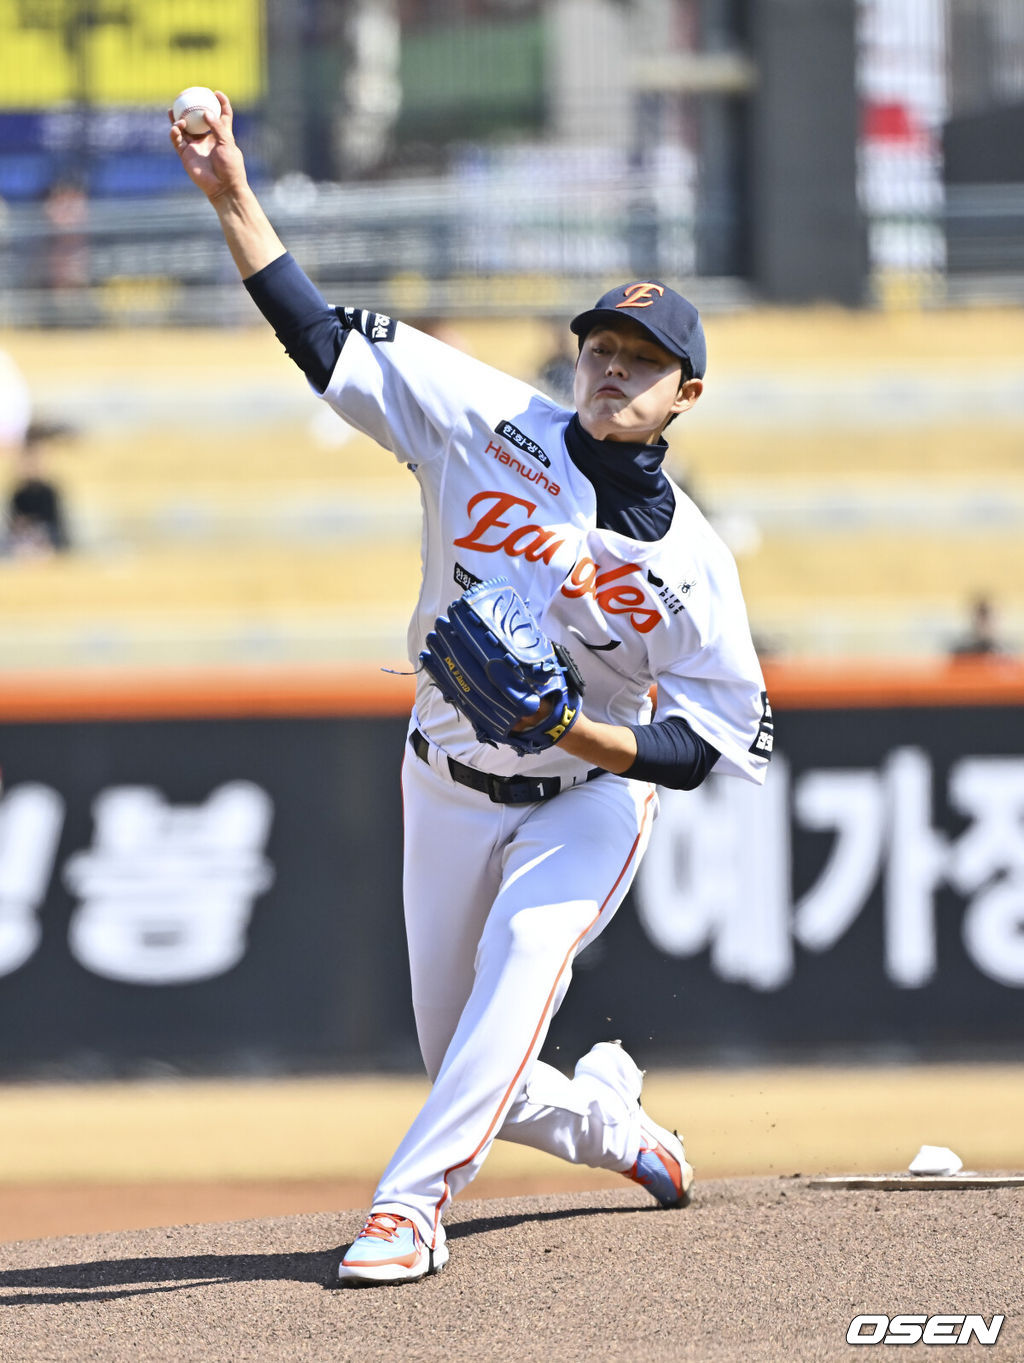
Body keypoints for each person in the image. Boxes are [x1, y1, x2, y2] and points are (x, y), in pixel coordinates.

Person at [170, 93, 772, 1287]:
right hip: (441, 777)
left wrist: (578, 734)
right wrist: (233, 195)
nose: (613, 368)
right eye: (601, 347)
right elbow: (320, 341)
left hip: (582, 795)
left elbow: (704, 745)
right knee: (466, 1061)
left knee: (524, 961)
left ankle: (408, 1208)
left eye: (643, 361)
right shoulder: (488, 420)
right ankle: (615, 1127)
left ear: (683, 395)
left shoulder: (695, 566)